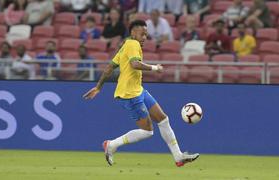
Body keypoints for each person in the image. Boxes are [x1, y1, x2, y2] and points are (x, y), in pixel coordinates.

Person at [83, 20, 199, 167]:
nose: (145, 37)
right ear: (133, 32)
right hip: (130, 95)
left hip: (138, 90)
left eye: (146, 35)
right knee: (148, 131)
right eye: (142, 34)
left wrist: (98, 87)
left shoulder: (125, 45)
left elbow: (109, 68)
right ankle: (111, 145)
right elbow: (135, 64)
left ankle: (178, 156)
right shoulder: (133, 44)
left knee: (163, 119)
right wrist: (155, 68)